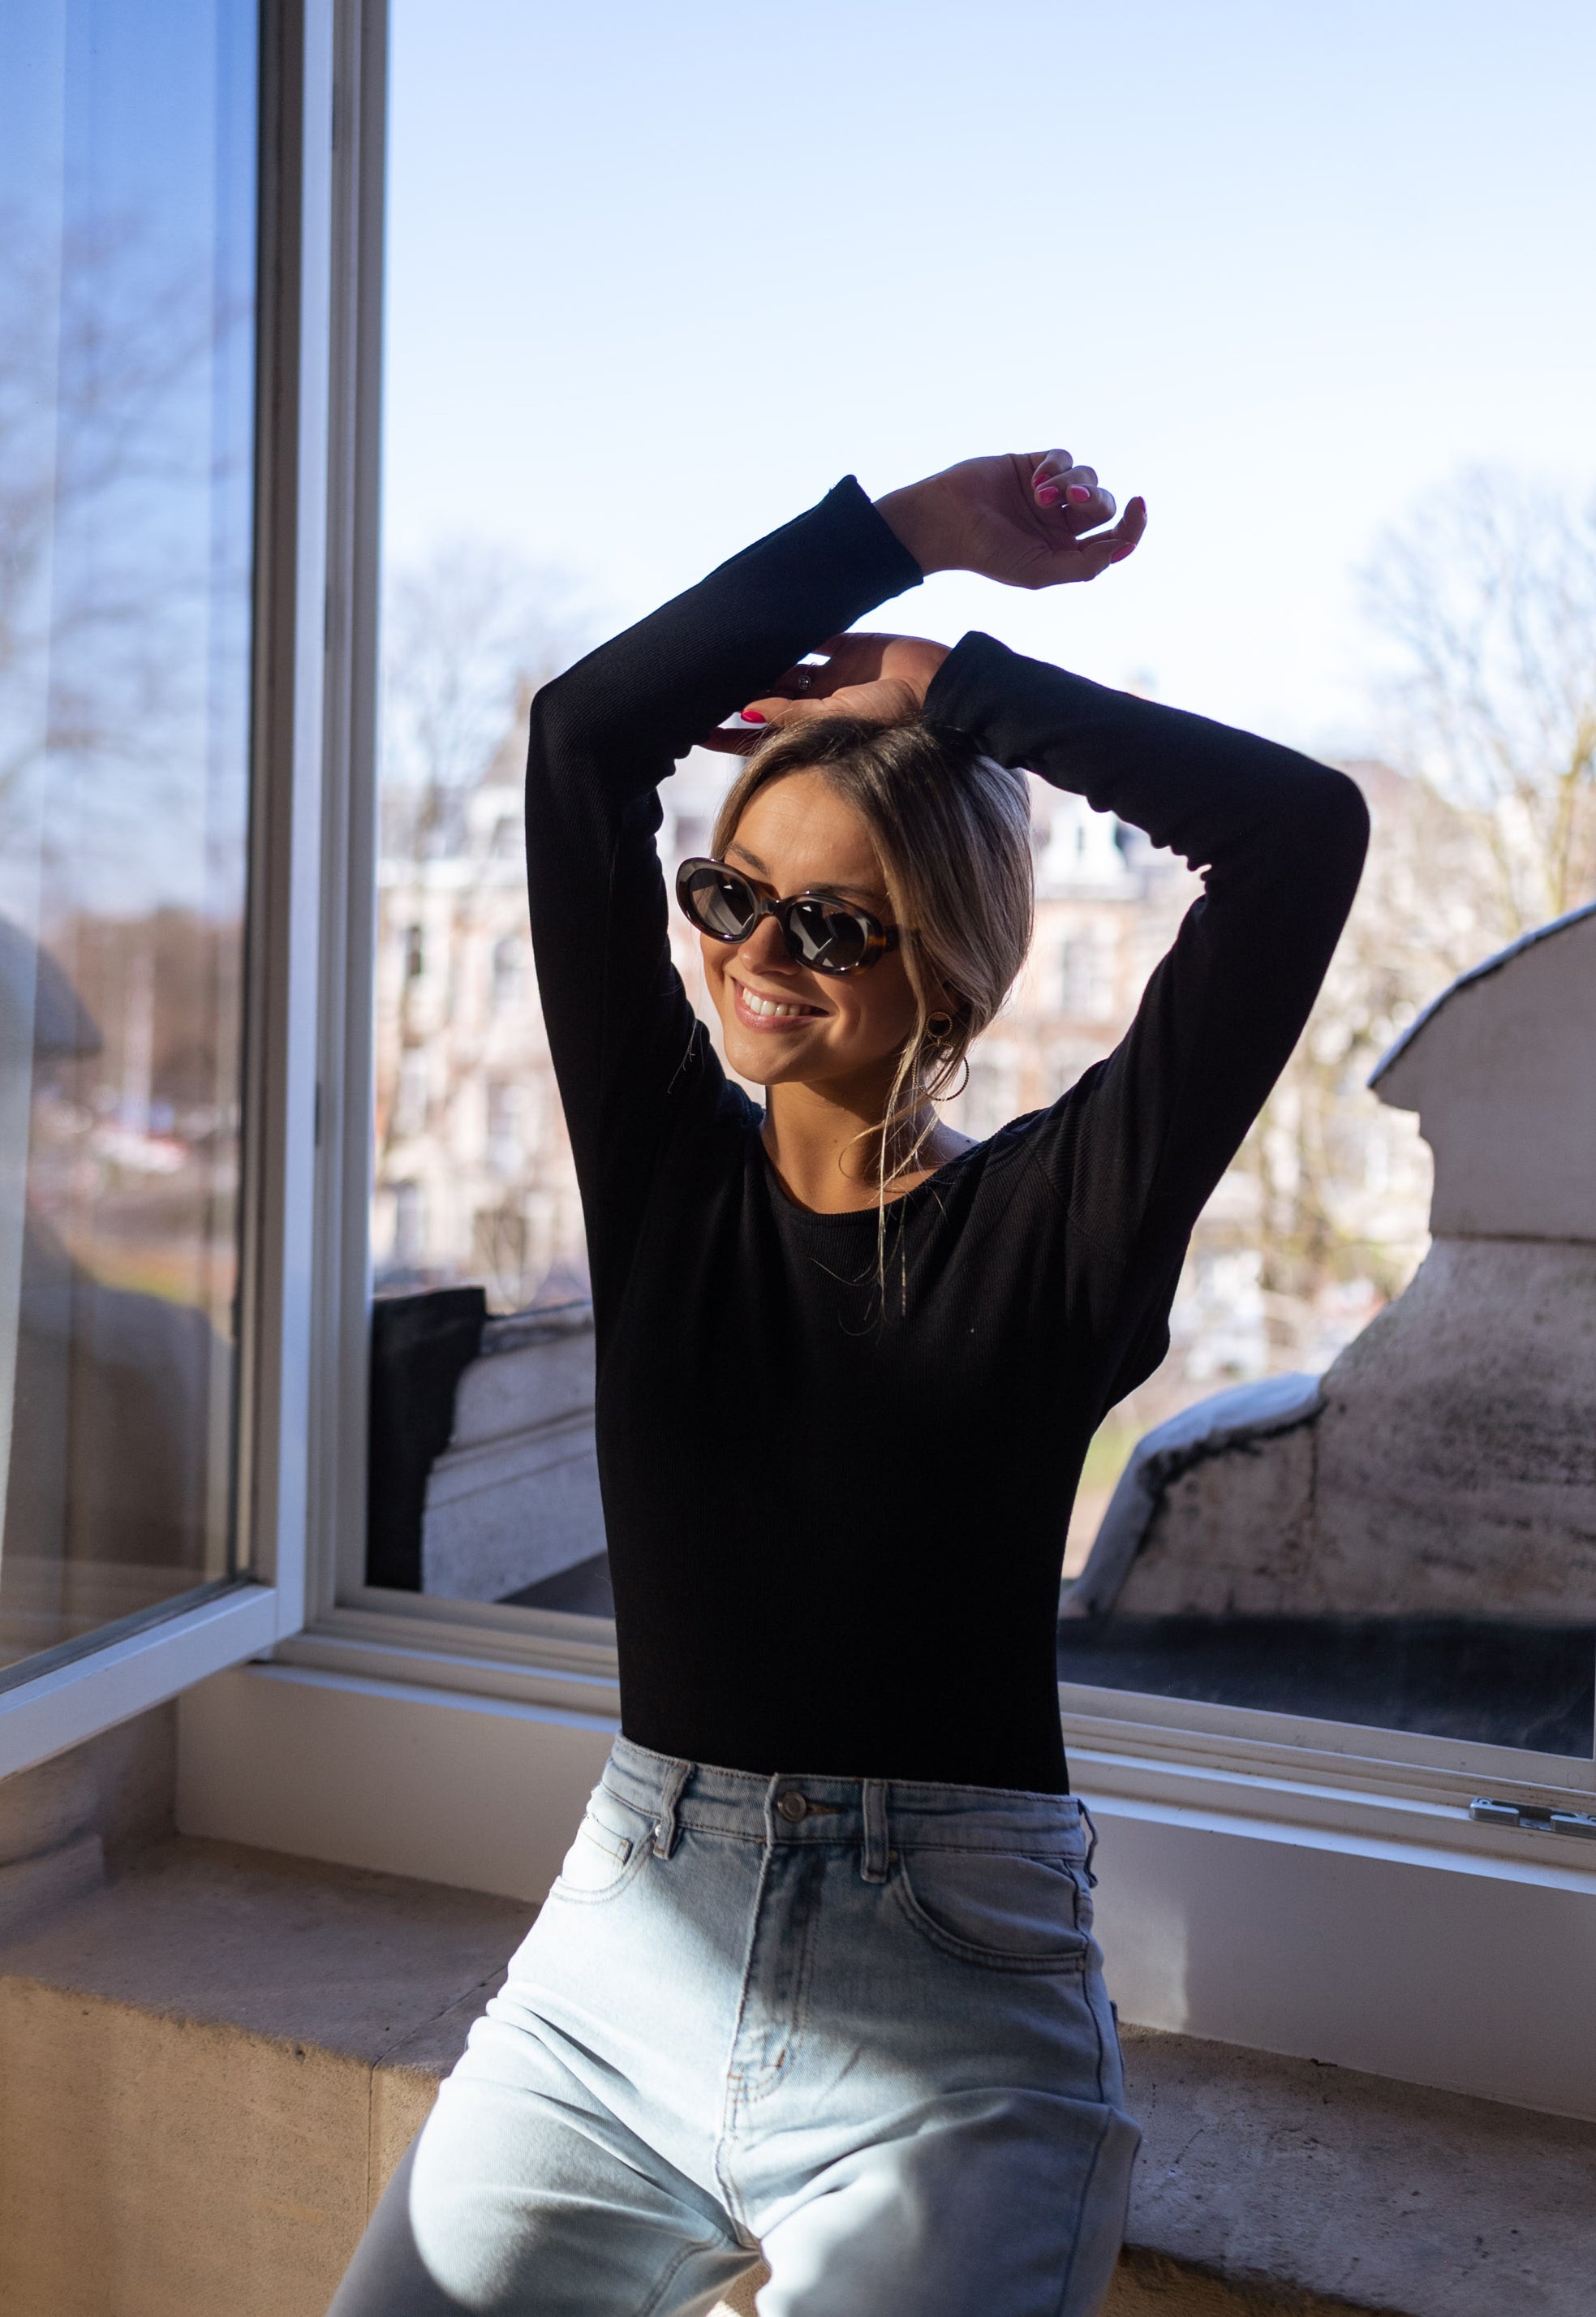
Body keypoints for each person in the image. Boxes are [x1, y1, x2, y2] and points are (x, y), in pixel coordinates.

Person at [329, 451, 1369, 2315]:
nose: (756, 957)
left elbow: (1300, 835)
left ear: (948, 969)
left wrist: (954, 684)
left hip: (949, 2020)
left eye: (832, 922)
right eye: (732, 895)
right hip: (614, 1975)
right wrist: (902, 536)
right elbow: (582, 742)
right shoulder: (662, 1172)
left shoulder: (1062, 1226)